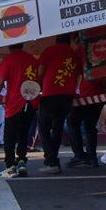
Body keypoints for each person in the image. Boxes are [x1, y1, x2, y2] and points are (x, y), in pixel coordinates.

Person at [36, 33, 83, 174]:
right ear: (70, 40)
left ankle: (50, 160)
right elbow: (79, 74)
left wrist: (38, 86)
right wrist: (74, 88)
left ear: (56, 39)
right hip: (67, 95)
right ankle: (53, 161)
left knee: (43, 127)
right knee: (57, 128)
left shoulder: (49, 50)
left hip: (50, 94)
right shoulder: (74, 54)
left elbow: (41, 71)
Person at [0, 44, 39, 177]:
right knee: (24, 132)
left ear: (9, 47)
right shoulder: (31, 59)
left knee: (9, 135)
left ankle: (10, 165)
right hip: (30, 101)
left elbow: (0, 81)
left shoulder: (8, 59)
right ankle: (21, 161)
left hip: (14, 102)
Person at [67, 75, 106, 168]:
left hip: (84, 91)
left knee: (73, 122)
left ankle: (79, 154)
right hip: (99, 91)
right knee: (90, 126)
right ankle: (92, 157)